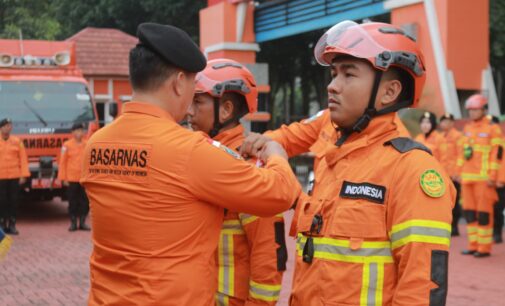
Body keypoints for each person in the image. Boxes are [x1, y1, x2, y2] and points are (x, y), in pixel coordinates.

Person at [79, 23, 301, 305]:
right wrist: (276, 152)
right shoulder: (190, 152)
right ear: (178, 82)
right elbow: (282, 192)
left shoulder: (95, 145)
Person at [242, 20, 455, 305]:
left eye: (348, 74)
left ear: (389, 92)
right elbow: (288, 138)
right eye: (333, 74)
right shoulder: (334, 145)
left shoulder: (411, 169)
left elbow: (421, 287)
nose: (332, 86)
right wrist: (264, 147)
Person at [188, 58, 287, 305]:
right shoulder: (202, 156)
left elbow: (267, 254)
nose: (189, 111)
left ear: (226, 109)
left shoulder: (248, 166)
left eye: (198, 102)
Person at [458, 94, 502, 257]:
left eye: (475, 110)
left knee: (483, 214)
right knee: (469, 214)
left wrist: (493, 176)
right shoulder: (467, 129)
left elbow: (497, 154)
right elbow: (462, 153)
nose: (472, 113)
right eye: (470, 110)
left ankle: (484, 248)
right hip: (467, 178)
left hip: (484, 180)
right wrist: (458, 171)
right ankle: (473, 245)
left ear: (483, 110)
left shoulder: (492, 128)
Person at [58, 122, 90, 231]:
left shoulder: (88, 144)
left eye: (81, 130)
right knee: (73, 201)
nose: (79, 133)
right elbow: (62, 163)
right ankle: (73, 223)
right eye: (77, 131)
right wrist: (63, 178)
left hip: (84, 179)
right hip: (71, 179)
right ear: (72, 132)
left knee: (84, 202)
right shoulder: (67, 145)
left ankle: (82, 222)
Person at [0, 118, 29, 235]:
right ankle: (2, 224)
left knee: (13, 200)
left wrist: (23, 175)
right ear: (1, 128)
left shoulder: (17, 141)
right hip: (1, 177)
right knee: (2, 201)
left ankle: (12, 224)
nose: (8, 128)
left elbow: (23, 159)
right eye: (6, 126)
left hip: (14, 176)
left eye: (10, 126)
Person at [439, 113, 463, 236]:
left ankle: (455, 227)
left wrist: (457, 172)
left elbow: (460, 155)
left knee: (455, 201)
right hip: (443, 175)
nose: (445, 124)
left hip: (453, 176)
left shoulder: (458, 136)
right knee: (445, 203)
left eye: (448, 121)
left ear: (452, 123)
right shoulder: (440, 137)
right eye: (443, 121)